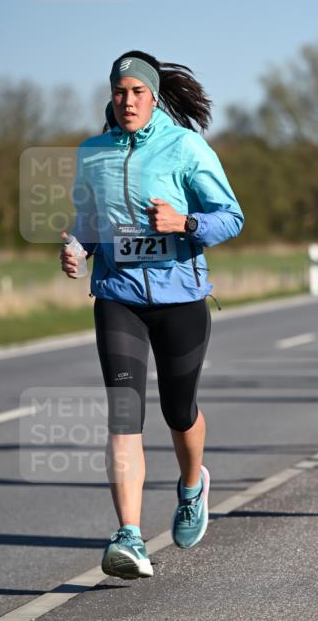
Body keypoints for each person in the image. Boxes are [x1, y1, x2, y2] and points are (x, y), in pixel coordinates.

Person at [61, 50, 244, 579]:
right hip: (118, 296)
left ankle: (192, 486)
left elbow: (230, 217)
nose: (127, 101)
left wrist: (184, 222)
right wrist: (77, 245)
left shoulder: (184, 146)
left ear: (154, 95)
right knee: (124, 412)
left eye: (138, 92)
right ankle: (129, 536)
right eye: (120, 92)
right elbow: (88, 220)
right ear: (110, 96)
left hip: (180, 297)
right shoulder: (92, 153)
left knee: (178, 411)